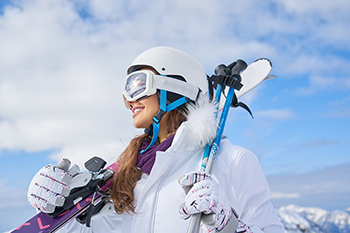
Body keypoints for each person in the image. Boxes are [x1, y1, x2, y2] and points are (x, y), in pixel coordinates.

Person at [27, 46, 285, 233]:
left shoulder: (232, 161)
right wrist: (56, 204)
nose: (129, 100)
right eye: (126, 92)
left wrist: (229, 225)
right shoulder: (128, 170)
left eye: (136, 85)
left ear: (175, 88)